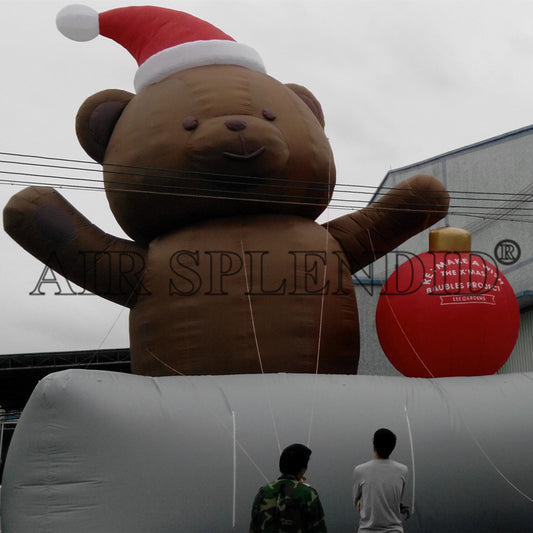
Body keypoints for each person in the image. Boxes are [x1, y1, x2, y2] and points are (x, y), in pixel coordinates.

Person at [250, 443, 327, 532]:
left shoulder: (263, 492)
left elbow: (253, 528)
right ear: (303, 468)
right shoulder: (308, 494)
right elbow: (318, 529)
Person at [352, 428, 409, 533]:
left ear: (374, 446)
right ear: (393, 447)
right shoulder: (403, 470)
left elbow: (356, 501)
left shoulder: (359, 470)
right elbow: (397, 498)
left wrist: (360, 501)